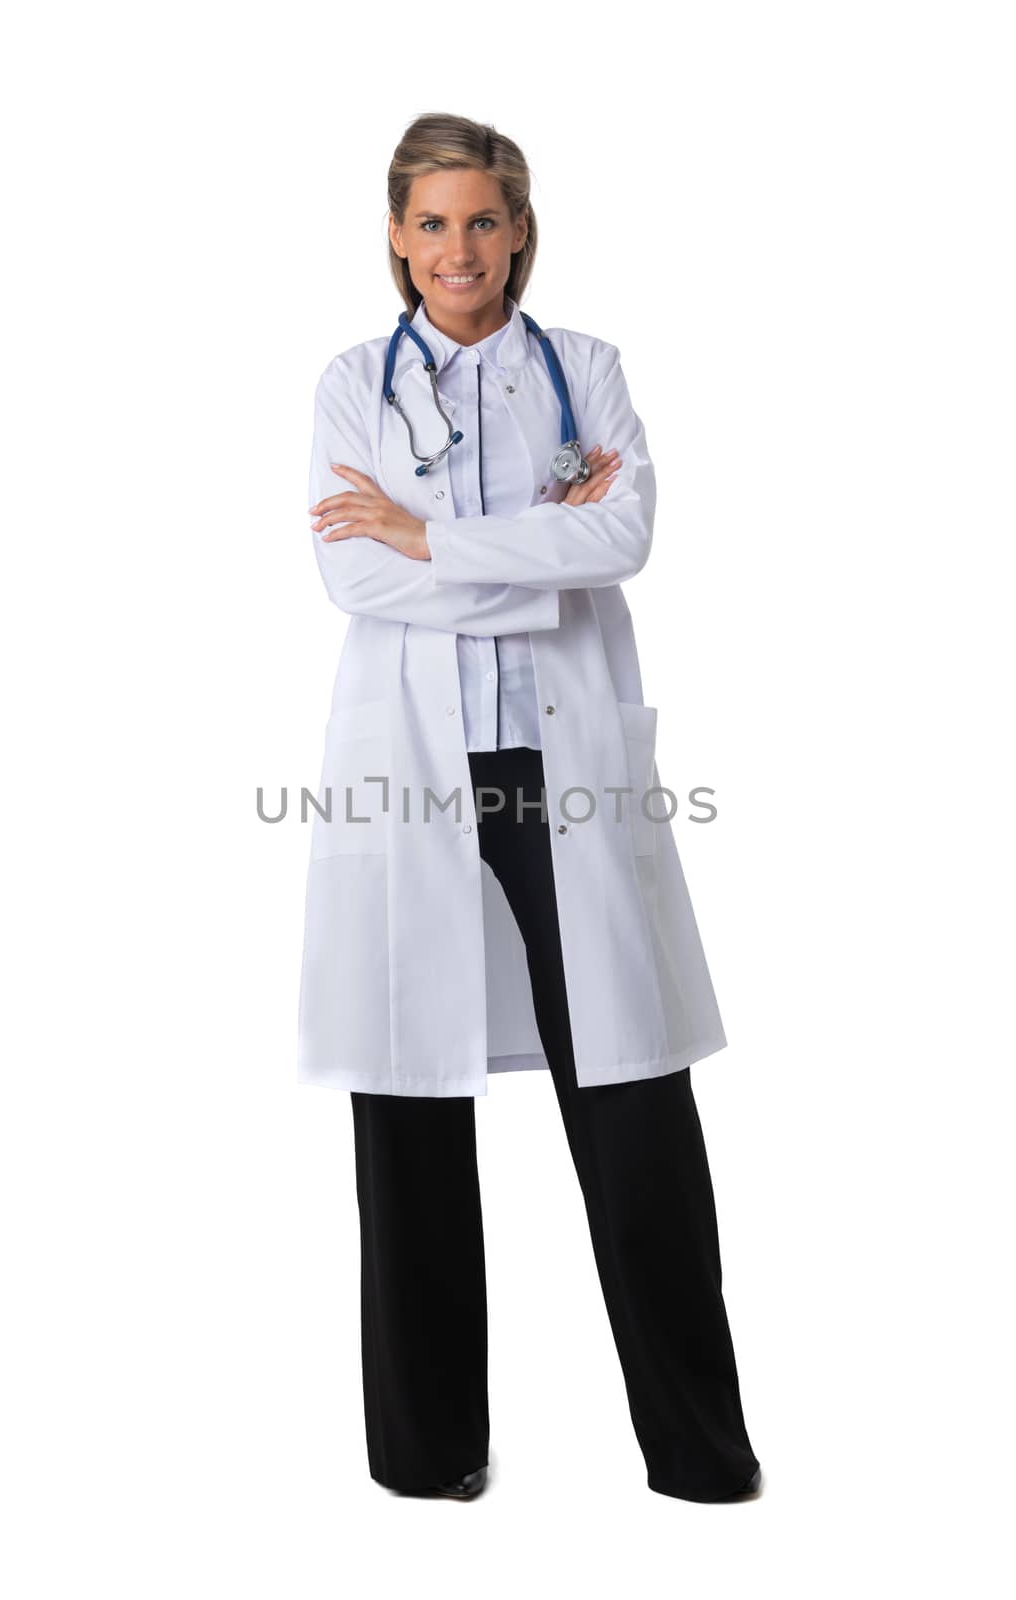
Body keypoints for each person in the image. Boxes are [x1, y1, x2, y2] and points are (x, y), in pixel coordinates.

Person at [298, 111, 762, 1504]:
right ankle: (429, 1454)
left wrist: (428, 535)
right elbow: (352, 583)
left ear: (520, 230)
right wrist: (543, 559)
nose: (460, 249)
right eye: (432, 223)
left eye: (483, 221)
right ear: (397, 236)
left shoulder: (591, 373)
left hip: (563, 763)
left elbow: (624, 540)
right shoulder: (348, 387)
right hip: (414, 767)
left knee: (630, 1092)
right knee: (410, 1097)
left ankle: (698, 1448)